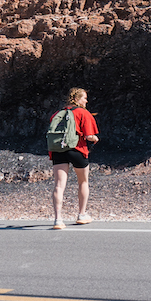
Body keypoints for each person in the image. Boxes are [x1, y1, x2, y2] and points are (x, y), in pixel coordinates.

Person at [49, 87, 99, 229]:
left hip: (58, 150)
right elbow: (89, 136)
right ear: (77, 99)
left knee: (59, 185)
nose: (86, 100)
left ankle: (58, 220)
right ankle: (81, 215)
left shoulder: (57, 114)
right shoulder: (83, 113)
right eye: (84, 97)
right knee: (83, 182)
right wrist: (95, 138)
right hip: (77, 149)